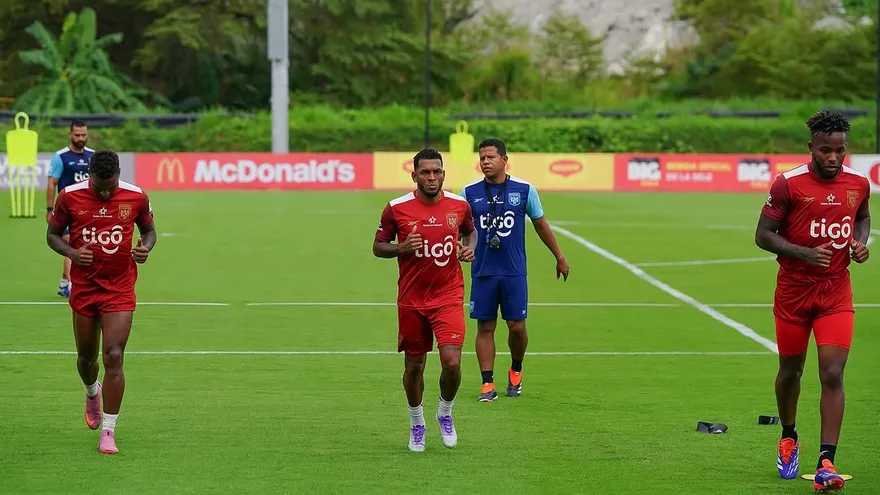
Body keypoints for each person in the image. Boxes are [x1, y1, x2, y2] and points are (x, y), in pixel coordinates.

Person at [755, 109, 870, 491]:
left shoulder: (858, 183)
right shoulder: (787, 185)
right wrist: (804, 252)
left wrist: (860, 243)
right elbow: (762, 235)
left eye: (839, 150)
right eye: (825, 150)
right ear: (811, 148)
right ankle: (788, 435)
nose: (833, 158)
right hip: (793, 294)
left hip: (835, 292)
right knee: (791, 372)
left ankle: (826, 461)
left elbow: (863, 217)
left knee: (833, 373)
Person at [46, 149, 157, 455]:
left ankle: (108, 430)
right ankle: (91, 392)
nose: (106, 192)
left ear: (118, 174)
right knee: (86, 359)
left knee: (115, 355)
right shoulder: (69, 196)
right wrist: (72, 253)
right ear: (90, 176)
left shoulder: (136, 197)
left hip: (120, 287)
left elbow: (149, 232)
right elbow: (52, 235)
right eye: (100, 186)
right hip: (85, 287)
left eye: (111, 185)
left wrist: (145, 248)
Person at [373, 148, 477, 452]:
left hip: (448, 295)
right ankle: (417, 422)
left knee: (452, 362)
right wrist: (401, 247)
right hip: (412, 299)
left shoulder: (459, 205)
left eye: (437, 172)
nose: (432, 177)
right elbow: (379, 246)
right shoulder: (396, 208)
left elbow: (470, 233)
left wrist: (469, 248)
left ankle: (445, 413)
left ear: (444, 173)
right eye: (426, 172)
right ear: (414, 175)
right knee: (415, 366)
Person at [459, 138, 570, 402]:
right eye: (482, 157)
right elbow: (460, 228)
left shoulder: (524, 190)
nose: (485, 162)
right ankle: (487, 384)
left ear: (504, 160)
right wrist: (462, 246)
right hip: (483, 271)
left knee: (516, 326)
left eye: (490, 157)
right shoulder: (469, 193)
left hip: (513, 271)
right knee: (485, 327)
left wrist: (559, 256)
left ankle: (516, 368)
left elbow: (541, 224)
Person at [46, 120, 95, 298]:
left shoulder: (93, 156)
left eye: (84, 135)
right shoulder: (61, 157)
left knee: (85, 245)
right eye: (77, 135)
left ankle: (64, 283)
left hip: (89, 212)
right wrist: (49, 209)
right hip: (67, 211)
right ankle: (71, 284)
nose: (81, 138)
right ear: (70, 134)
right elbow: (52, 183)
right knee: (71, 245)